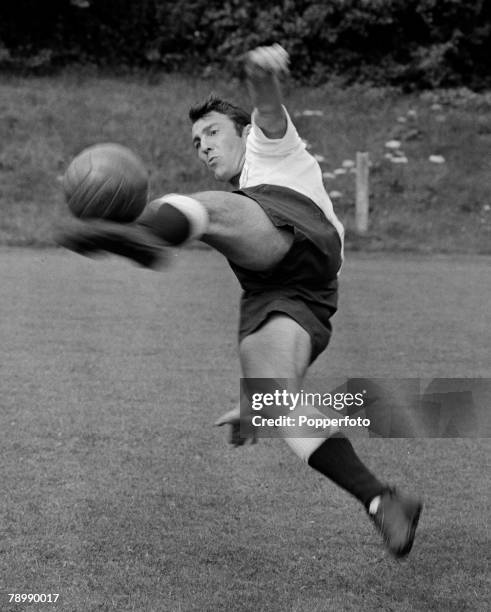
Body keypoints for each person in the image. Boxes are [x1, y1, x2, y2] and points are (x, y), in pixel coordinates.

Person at [60, 44, 422, 558]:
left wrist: (261, 77)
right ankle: (383, 501)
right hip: (288, 292)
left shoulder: (270, 149)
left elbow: (270, 110)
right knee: (280, 402)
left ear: (244, 133)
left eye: (212, 133)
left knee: (208, 209)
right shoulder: (239, 190)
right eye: (195, 141)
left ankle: (147, 234)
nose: (204, 146)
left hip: (301, 235)